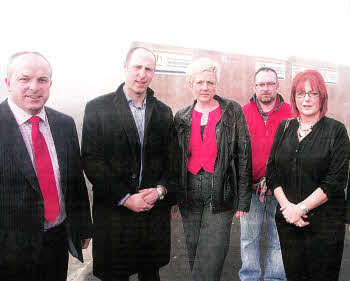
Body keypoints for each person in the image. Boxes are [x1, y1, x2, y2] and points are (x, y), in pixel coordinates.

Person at [81, 47, 179, 281]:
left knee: (150, 273)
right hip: (115, 212)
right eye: (137, 67)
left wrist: (160, 191)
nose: (142, 74)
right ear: (125, 67)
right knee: (115, 274)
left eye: (148, 69)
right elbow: (92, 160)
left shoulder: (164, 112)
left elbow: (172, 161)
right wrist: (126, 197)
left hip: (151, 211)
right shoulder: (98, 108)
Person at [0, 52, 92, 281]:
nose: (34, 87)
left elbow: (75, 180)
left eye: (42, 80)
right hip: (9, 251)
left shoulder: (64, 124)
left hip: (56, 241)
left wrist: (83, 226)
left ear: (50, 84)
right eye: (24, 79)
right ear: (8, 83)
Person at [266, 69, 349, 281]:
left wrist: (301, 209)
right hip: (288, 221)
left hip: (325, 224)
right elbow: (272, 171)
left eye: (313, 93)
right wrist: (288, 209)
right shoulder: (284, 127)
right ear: (294, 98)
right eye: (301, 94)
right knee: (294, 275)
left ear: (323, 97)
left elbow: (336, 181)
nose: (307, 99)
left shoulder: (336, 131)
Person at [174, 58, 252, 281]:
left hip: (221, 190)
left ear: (216, 84)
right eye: (199, 82)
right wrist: (173, 196)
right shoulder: (181, 116)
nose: (205, 87)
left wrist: (243, 199)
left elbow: (244, 154)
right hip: (189, 192)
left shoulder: (232, 110)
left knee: (213, 253)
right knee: (194, 248)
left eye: (210, 81)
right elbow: (175, 159)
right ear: (191, 84)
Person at [239, 67, 291, 281]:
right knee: (248, 239)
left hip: (282, 191)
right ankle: (249, 277)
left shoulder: (292, 111)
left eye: (270, 84)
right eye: (261, 84)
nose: (266, 89)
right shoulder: (242, 111)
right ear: (255, 87)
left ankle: (275, 278)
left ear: (278, 86)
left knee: (278, 240)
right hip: (251, 190)